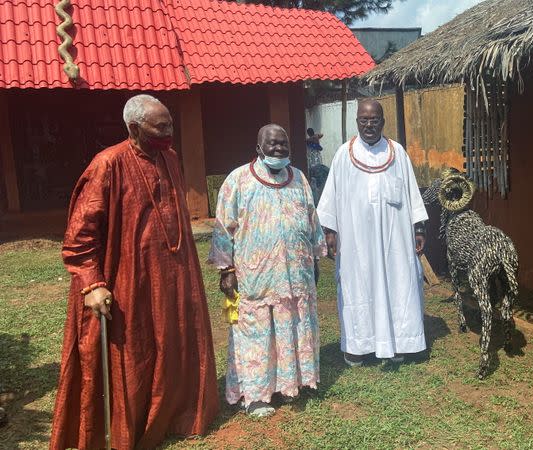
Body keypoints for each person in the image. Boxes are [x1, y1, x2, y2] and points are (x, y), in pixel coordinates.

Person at [51, 95, 219, 450]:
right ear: (134, 128)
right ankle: (132, 427)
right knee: (134, 350)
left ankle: (175, 414)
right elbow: (79, 236)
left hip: (172, 275)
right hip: (127, 278)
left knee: (172, 343)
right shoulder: (107, 164)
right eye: (161, 127)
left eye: (171, 124)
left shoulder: (169, 157)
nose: (169, 132)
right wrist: (93, 283)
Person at [209, 124, 326, 417]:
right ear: (259, 147)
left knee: (294, 326)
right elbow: (224, 227)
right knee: (256, 333)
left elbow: (312, 221)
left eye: (283, 144)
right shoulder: (238, 180)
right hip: (255, 278)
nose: (278, 149)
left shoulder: (299, 178)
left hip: (295, 275)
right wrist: (227, 269)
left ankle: (291, 385)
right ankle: (257, 396)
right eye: (272, 144)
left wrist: (315, 258)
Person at [317, 99, 428, 367]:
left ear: (383, 121)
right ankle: (359, 345)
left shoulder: (398, 152)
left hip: (395, 239)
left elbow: (412, 192)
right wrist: (330, 233)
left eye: (374, 119)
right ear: (357, 122)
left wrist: (418, 227)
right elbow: (330, 198)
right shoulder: (344, 154)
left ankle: (400, 341)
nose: (369, 124)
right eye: (364, 120)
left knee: (399, 282)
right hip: (356, 239)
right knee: (357, 286)